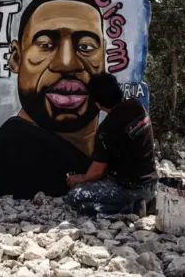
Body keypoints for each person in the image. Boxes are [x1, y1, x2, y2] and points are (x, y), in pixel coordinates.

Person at [0, 0, 106, 199]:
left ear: (104, 59)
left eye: (86, 46)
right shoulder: (18, 145)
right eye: (45, 45)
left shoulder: (110, 138)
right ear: (16, 59)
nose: (67, 64)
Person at [64, 72, 158, 216]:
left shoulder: (107, 128)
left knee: (75, 197)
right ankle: (146, 201)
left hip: (129, 188)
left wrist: (79, 179)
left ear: (97, 103)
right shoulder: (137, 105)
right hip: (150, 183)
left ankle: (131, 208)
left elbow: (96, 172)